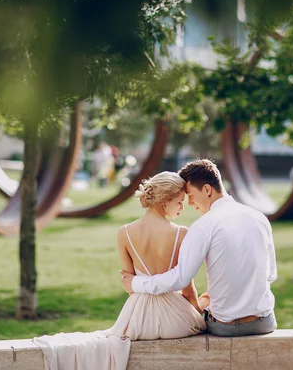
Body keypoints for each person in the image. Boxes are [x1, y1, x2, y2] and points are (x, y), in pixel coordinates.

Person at [32, 171, 205, 370]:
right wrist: (198, 312)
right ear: (164, 201)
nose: (182, 207)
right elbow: (188, 289)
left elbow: (129, 285)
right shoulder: (181, 233)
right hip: (176, 322)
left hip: (137, 320)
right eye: (180, 201)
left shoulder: (124, 232)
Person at [121, 159, 278, 337]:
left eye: (191, 196)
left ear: (207, 190)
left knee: (204, 303)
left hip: (226, 327)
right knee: (207, 299)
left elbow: (181, 278)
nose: (189, 203)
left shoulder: (204, 225)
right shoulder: (259, 218)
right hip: (265, 322)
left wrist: (136, 283)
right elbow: (271, 274)